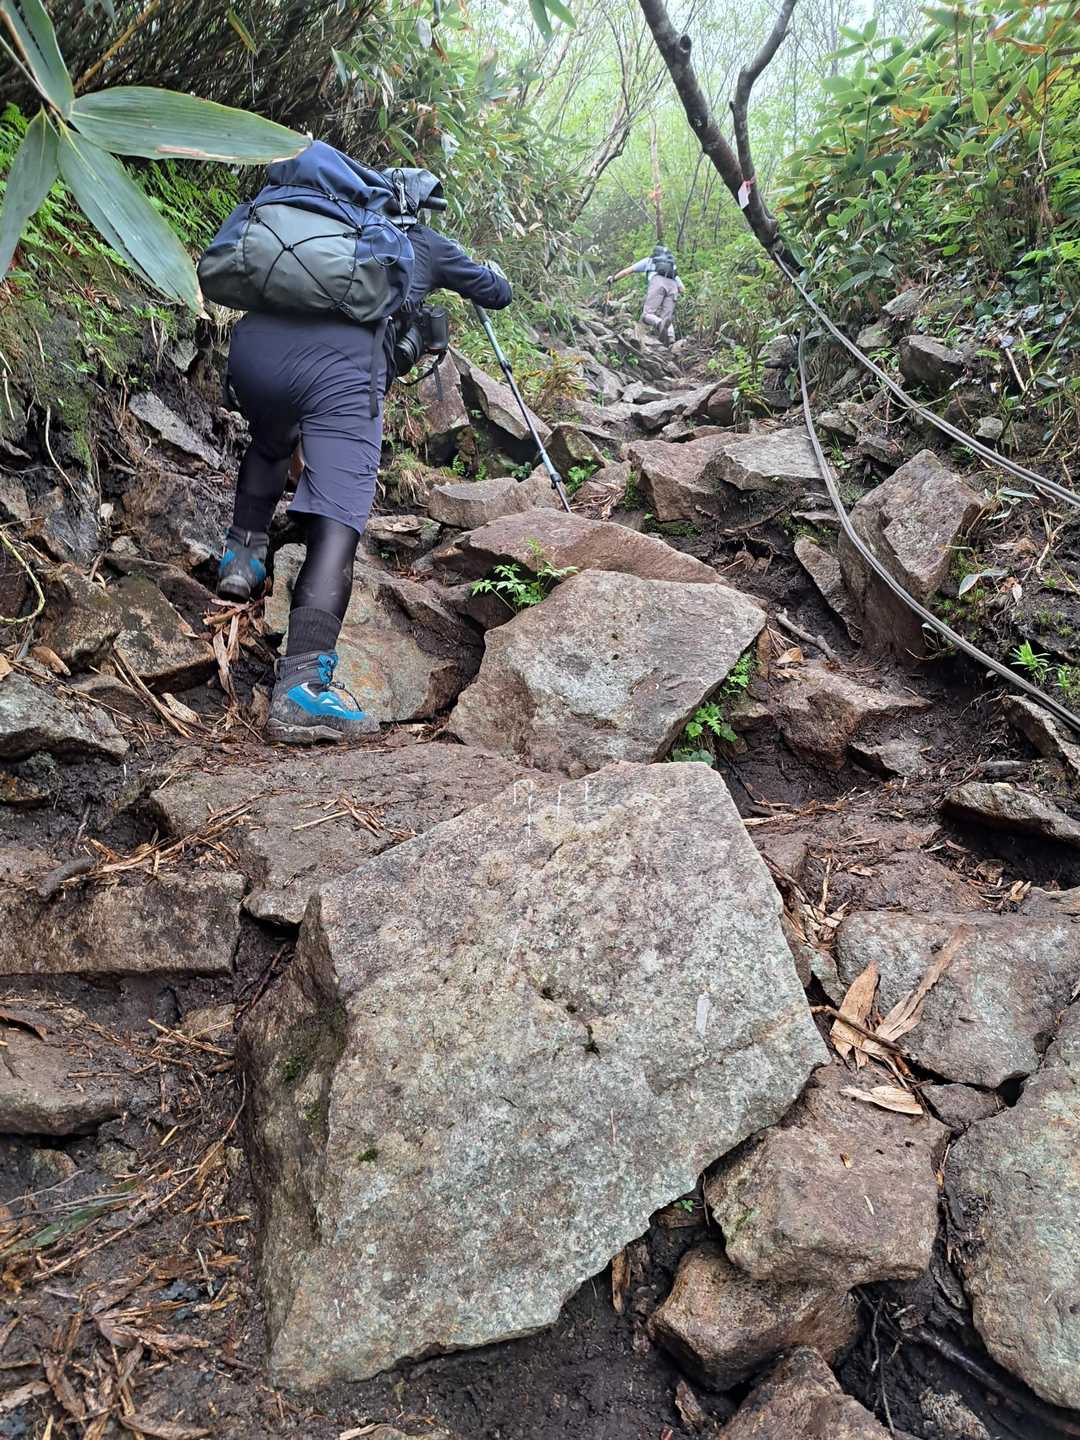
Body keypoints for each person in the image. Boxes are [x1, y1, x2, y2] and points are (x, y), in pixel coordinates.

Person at [215, 153, 508, 745]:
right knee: (336, 520)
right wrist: (490, 274)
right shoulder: (421, 242)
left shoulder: (301, 215)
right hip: (341, 375)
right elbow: (495, 293)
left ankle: (242, 560)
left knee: (271, 441)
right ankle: (302, 687)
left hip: (253, 355)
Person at [379, 167, 512, 394]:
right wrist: (483, 269)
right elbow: (499, 293)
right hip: (363, 368)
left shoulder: (348, 230)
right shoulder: (427, 242)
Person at [606, 243, 685, 344]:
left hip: (657, 283)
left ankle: (659, 323)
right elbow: (682, 289)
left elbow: (627, 271)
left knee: (647, 314)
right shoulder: (672, 266)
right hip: (673, 286)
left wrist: (614, 278)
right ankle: (671, 338)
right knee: (666, 317)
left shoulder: (650, 260)